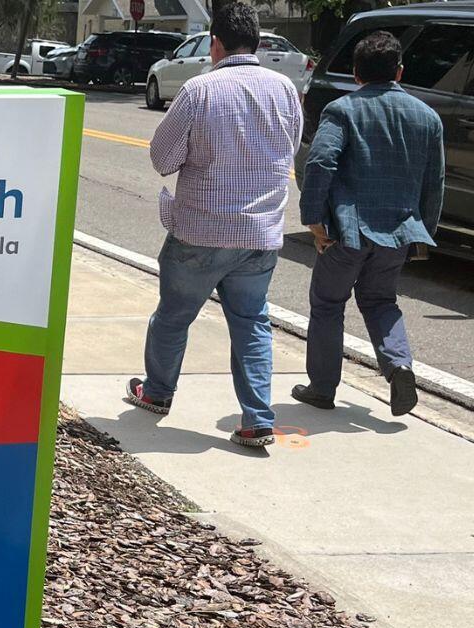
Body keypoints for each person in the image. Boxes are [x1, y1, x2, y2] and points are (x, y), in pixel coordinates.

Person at [126, 2, 303, 448]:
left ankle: (158, 393)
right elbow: (292, 148)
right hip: (260, 236)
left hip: (200, 233)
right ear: (259, 43)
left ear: (215, 44)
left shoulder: (199, 90)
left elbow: (162, 159)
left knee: (173, 317)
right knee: (252, 322)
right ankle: (257, 418)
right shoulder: (285, 90)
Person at [294, 31, 444, 417]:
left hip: (348, 230)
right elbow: (434, 183)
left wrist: (313, 219)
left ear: (356, 72)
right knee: (380, 302)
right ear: (399, 71)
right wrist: (422, 232)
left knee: (328, 303)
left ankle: (322, 388)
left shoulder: (342, 111)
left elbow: (320, 162)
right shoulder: (427, 118)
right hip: (398, 231)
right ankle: (399, 366)